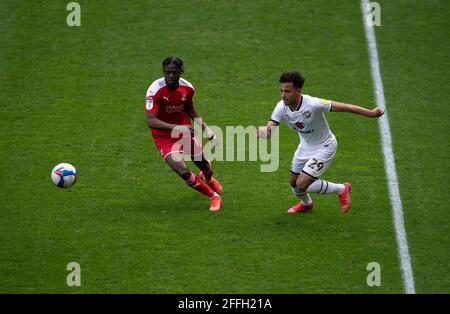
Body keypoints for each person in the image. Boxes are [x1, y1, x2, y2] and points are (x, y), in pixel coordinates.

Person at [257, 71, 384, 214]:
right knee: (293, 183)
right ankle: (307, 204)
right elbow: (269, 131)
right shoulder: (281, 107)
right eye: (281, 91)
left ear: (298, 90)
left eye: (287, 91)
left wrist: (370, 113)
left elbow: (344, 107)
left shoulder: (313, 104)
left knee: (301, 184)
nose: (283, 95)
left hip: (325, 147)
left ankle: (342, 189)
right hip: (305, 147)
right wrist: (261, 133)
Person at [145, 56, 223, 211]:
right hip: (164, 137)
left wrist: (206, 129)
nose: (171, 76)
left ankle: (207, 176)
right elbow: (151, 121)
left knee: (203, 164)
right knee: (183, 170)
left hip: (185, 132)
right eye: (167, 73)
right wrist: (177, 128)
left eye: (174, 72)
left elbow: (190, 109)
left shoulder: (187, 88)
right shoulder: (154, 90)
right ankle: (214, 196)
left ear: (181, 72)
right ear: (164, 72)